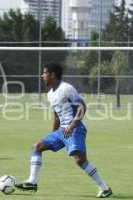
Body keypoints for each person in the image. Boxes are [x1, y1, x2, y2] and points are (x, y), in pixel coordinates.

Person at [15, 63, 113, 198]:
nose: (42, 76)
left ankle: (105, 188)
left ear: (52, 74)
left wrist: (72, 126)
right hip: (62, 130)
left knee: (80, 160)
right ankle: (32, 182)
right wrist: (54, 134)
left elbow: (82, 107)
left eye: (44, 73)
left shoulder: (66, 88)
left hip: (76, 128)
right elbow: (57, 116)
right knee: (37, 147)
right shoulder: (50, 94)